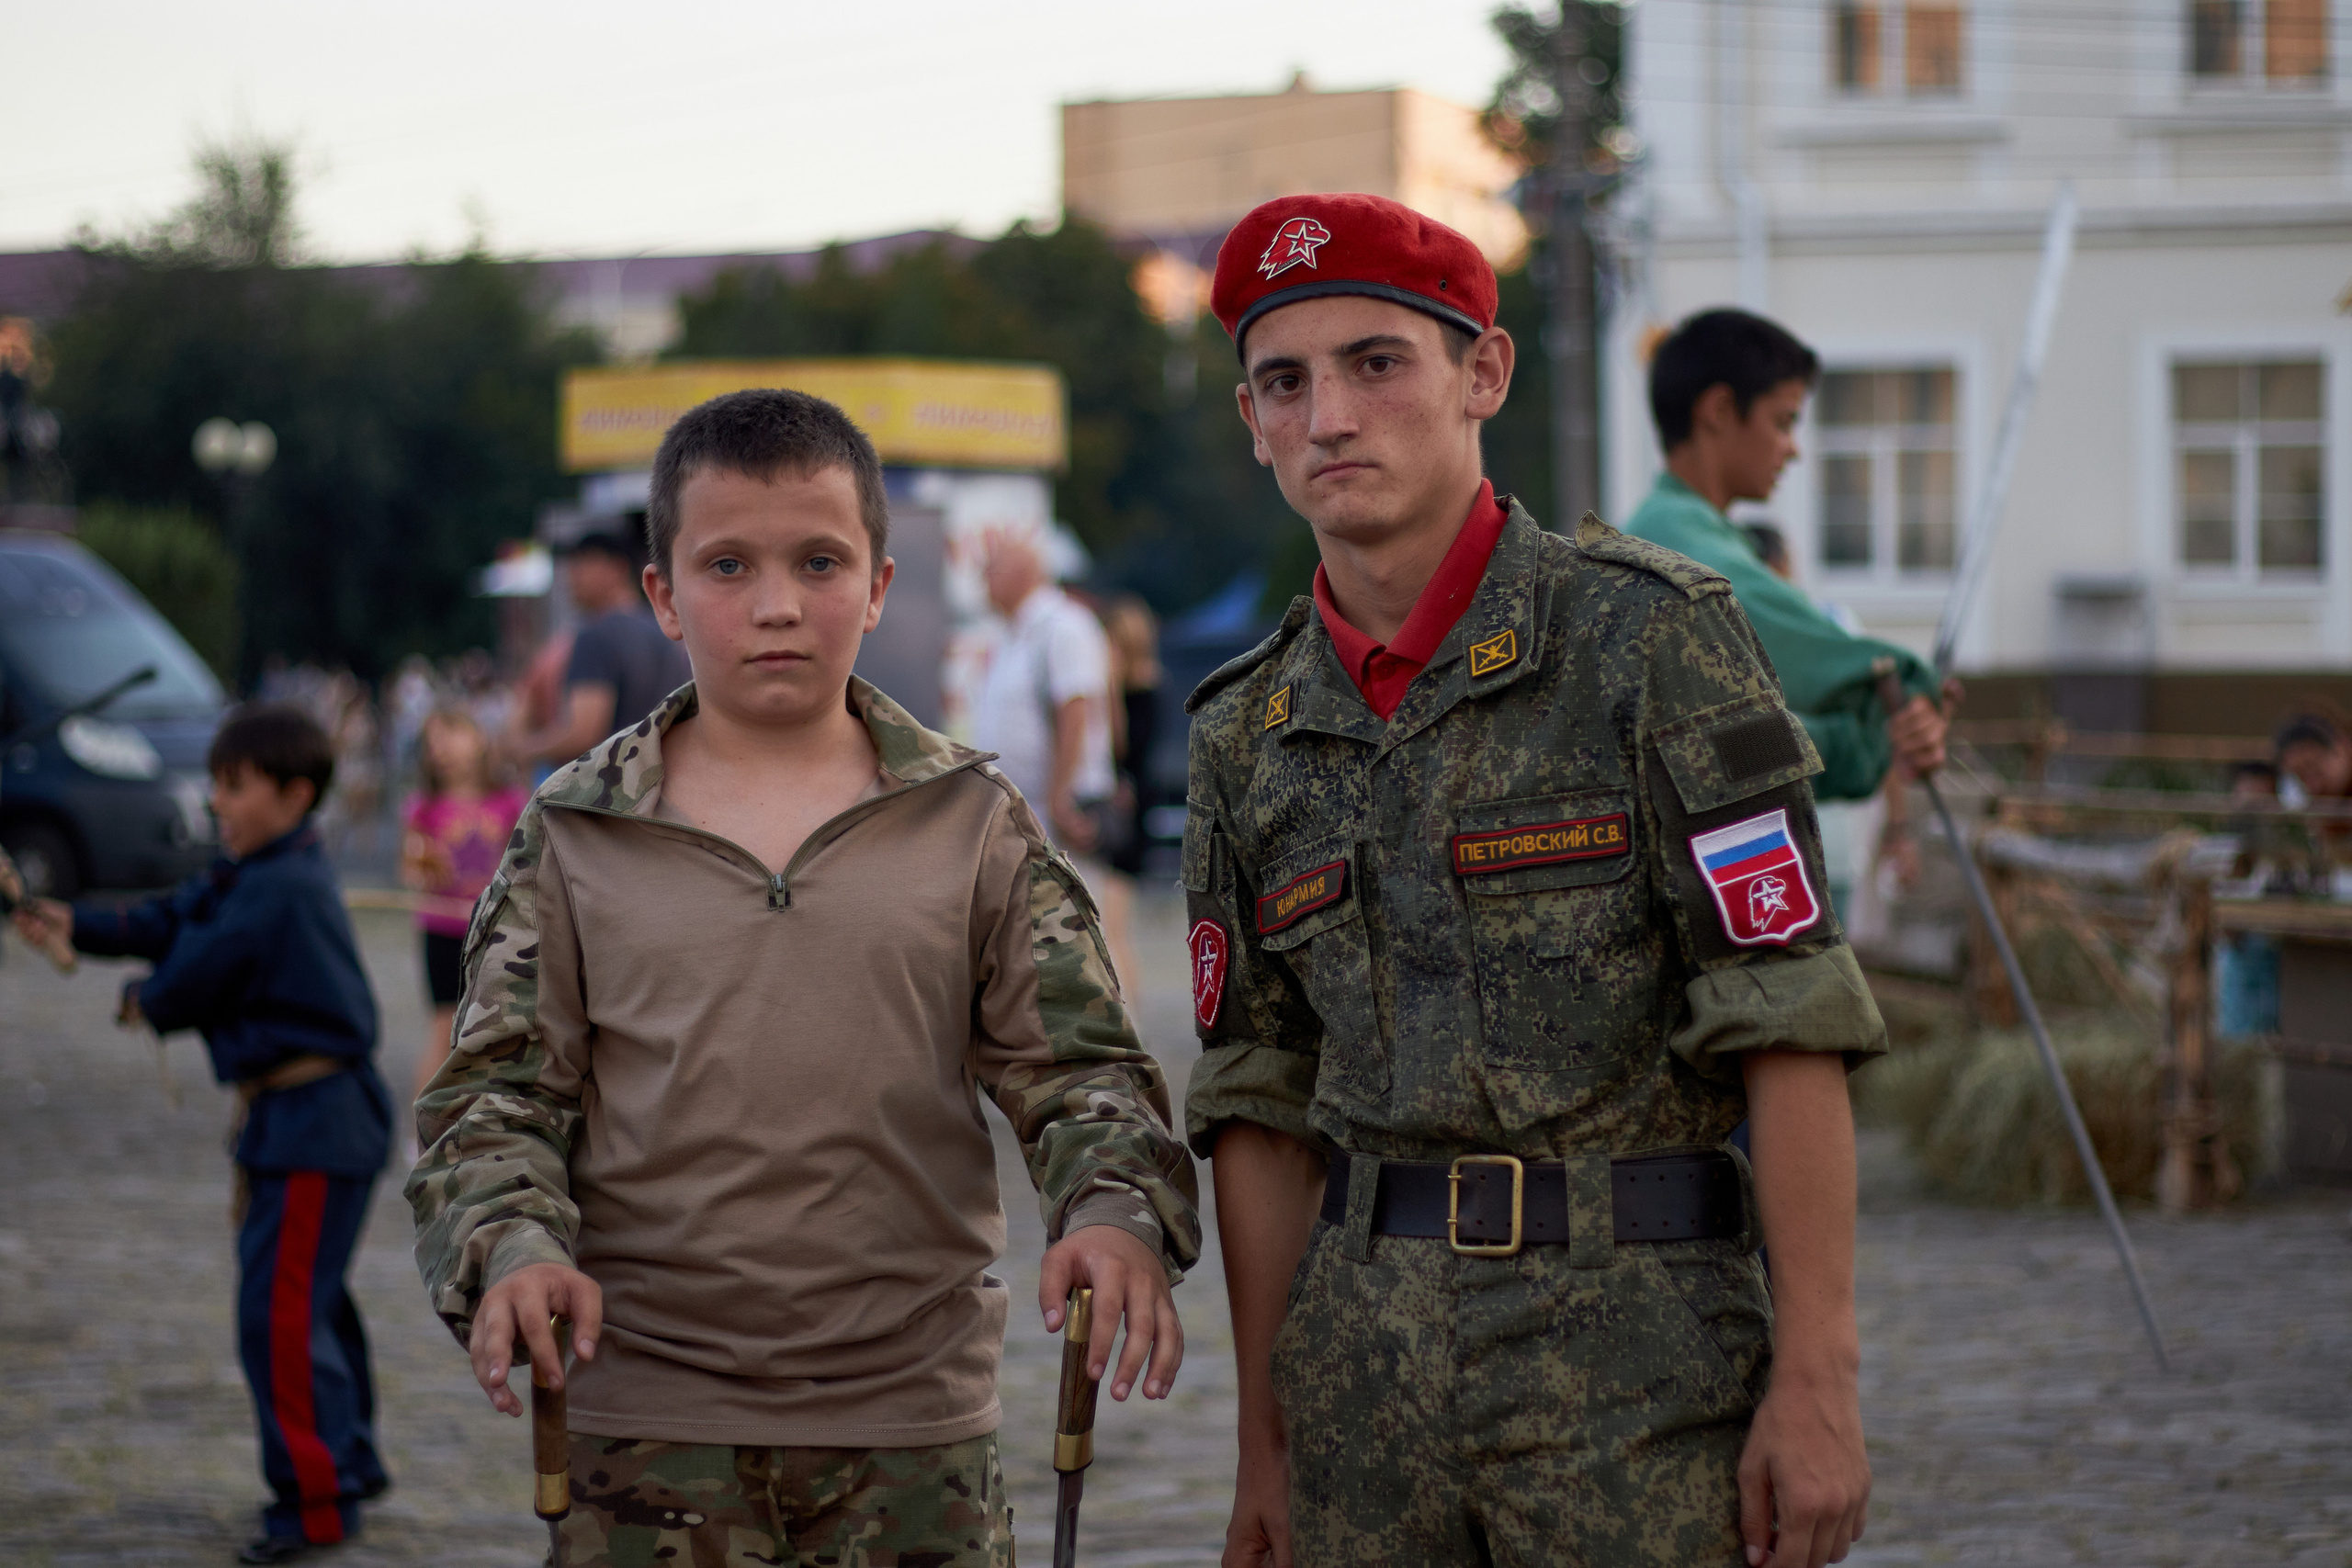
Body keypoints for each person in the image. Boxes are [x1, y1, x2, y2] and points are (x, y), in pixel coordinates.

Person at [1182, 193, 1885, 1568]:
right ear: (1253, 420)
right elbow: (1260, 1101)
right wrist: (1266, 1440)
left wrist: (1819, 1377)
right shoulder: (1244, 732)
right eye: (1287, 382)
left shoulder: (1650, 641)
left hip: (1636, 1364)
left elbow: (1786, 1013)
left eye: (1376, 363)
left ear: (1483, 374)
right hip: (1362, 1385)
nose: (1331, 417)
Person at [407, 389, 1198, 1568]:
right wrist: (512, 1245)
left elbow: (1082, 1070)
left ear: (878, 587)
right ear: (662, 593)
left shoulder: (972, 823)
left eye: (819, 562)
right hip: (645, 1428)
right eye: (727, 565)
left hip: (914, 1436)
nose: (776, 604)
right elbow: (493, 1100)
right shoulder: (573, 833)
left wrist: (1114, 1212)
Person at [15, 705, 393, 1563]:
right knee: (312, 1302)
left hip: (315, 1126)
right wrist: (70, 920)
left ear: (294, 795)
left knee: (279, 1316)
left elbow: (192, 974)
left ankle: (316, 1502)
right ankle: (349, 1462)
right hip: (305, 1125)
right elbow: (171, 918)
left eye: (234, 785)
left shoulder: (277, 887)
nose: (216, 801)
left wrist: (139, 998)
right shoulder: (258, 868)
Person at [1623, 309, 1952, 801]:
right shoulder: (1676, 544)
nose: (1793, 449)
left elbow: (1729, 750)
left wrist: (1871, 739)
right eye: (1782, 422)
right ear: (1719, 410)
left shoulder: (1677, 529)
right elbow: (1792, 647)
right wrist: (1904, 691)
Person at [968, 529, 1138, 990]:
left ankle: (1113, 1035)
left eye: (991, 568)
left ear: (1023, 571)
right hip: (1033, 815)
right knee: (1044, 947)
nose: (982, 579)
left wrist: (1061, 797)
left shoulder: (1062, 625)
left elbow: (1075, 708)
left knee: (1085, 943)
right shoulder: (1016, 633)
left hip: (1061, 816)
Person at [397, 705, 528, 1105]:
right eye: (431, 742)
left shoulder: (510, 802)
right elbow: (410, 868)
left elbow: (526, 861)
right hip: (442, 931)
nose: (440, 748)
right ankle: (422, 1127)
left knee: (492, 1030)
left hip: (495, 929)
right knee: (443, 1026)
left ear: (479, 738)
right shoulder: (423, 807)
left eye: (450, 734)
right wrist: (422, 868)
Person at [514, 530, 690, 768]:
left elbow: (583, 734)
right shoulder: (663, 630)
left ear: (617, 568)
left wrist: (521, 750)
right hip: (667, 772)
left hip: (615, 780)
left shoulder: (596, 636)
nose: (571, 577)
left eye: (582, 564)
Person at [1102, 594, 1164, 882]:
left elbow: (1124, 746)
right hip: (1120, 789)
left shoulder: (1145, 692)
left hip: (1131, 794)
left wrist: (1112, 690)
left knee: (1120, 880)